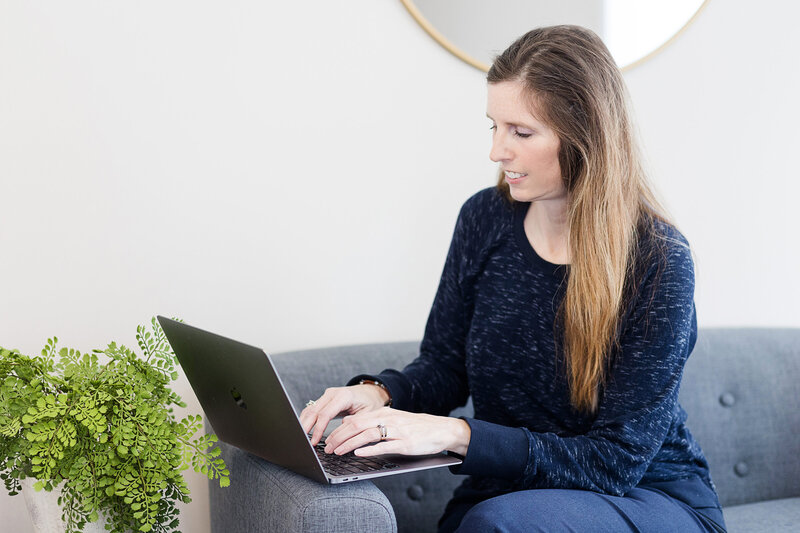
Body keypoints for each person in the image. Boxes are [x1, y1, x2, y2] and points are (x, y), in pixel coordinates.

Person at [299, 25, 726, 533]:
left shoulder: (658, 260)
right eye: (493, 127)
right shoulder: (484, 219)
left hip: (644, 498)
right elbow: (444, 366)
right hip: (506, 499)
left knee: (499, 524)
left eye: (521, 132)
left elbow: (615, 461)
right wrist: (377, 394)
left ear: (585, 138)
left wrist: (457, 435)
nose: (498, 152)